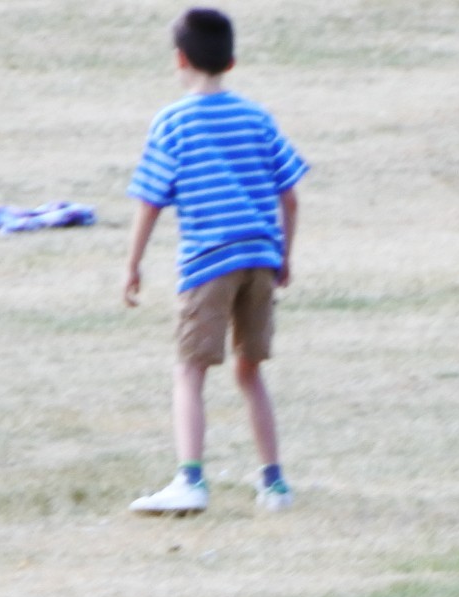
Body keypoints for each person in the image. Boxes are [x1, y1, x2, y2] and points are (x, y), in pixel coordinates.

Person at [122, 7, 309, 516]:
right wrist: (283, 255)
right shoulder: (256, 117)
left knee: (189, 369)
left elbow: (151, 201)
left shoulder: (173, 122)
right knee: (249, 371)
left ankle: (190, 479)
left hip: (208, 262)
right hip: (259, 258)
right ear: (232, 60)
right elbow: (289, 195)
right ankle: (273, 484)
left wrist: (133, 264)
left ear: (179, 59)